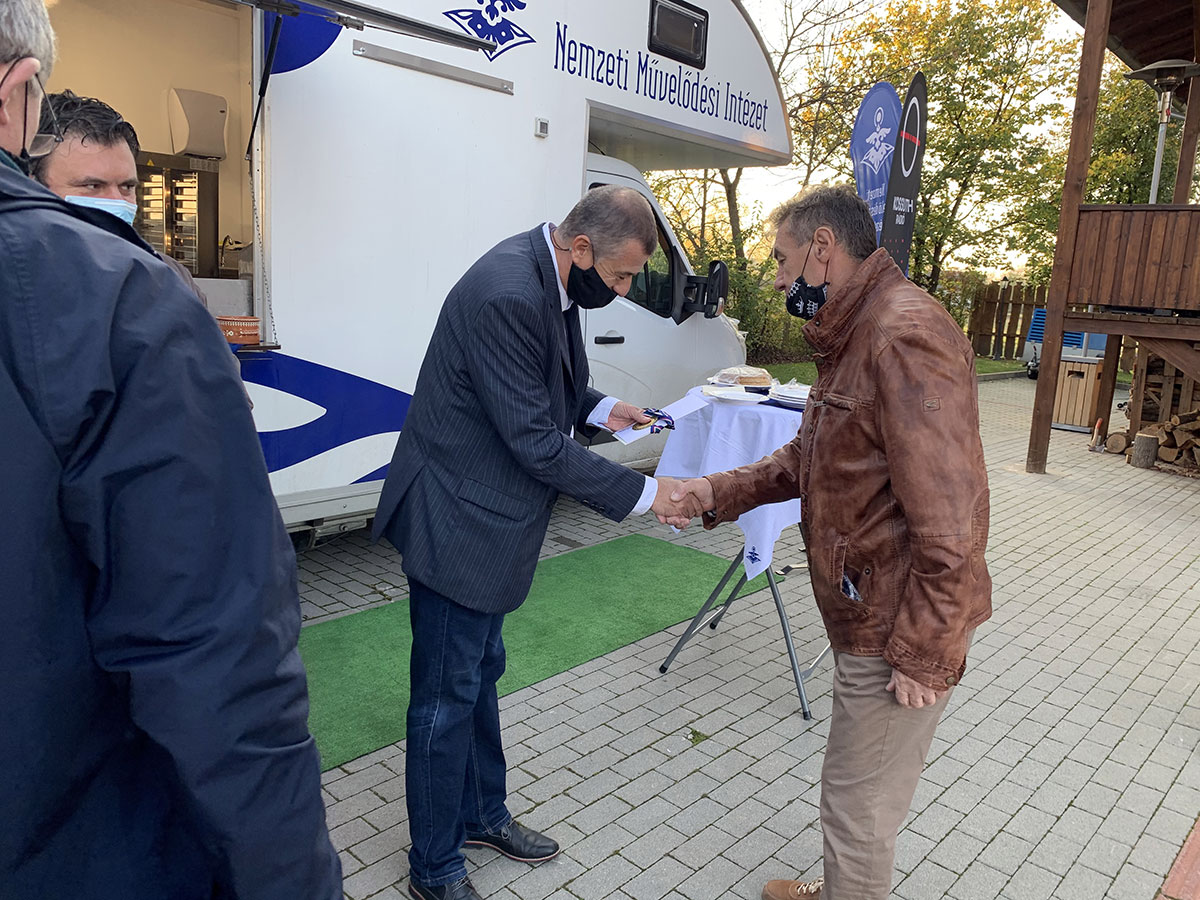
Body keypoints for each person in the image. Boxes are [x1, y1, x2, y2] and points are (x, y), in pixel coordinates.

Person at [0, 4, 340, 897]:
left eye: (128, 187)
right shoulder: (116, 299)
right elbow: (213, 647)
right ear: (20, 110)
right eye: (92, 185)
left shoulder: (146, 292)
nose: (115, 206)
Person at [669, 185, 993, 900]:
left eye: (782, 261)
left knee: (857, 808)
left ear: (823, 247)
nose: (777, 280)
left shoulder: (902, 335)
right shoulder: (860, 330)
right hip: (869, 608)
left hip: (895, 626)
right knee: (858, 793)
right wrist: (715, 490)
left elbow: (951, 515)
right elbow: (810, 458)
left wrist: (926, 651)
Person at [372, 185, 691, 900]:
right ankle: (433, 866)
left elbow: (548, 388)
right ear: (580, 247)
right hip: (457, 520)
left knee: (478, 672)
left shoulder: (550, 276)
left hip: (485, 519)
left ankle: (483, 815)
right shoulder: (509, 293)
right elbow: (536, 441)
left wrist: (605, 409)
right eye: (621, 275)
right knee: (445, 697)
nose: (623, 289)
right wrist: (648, 495)